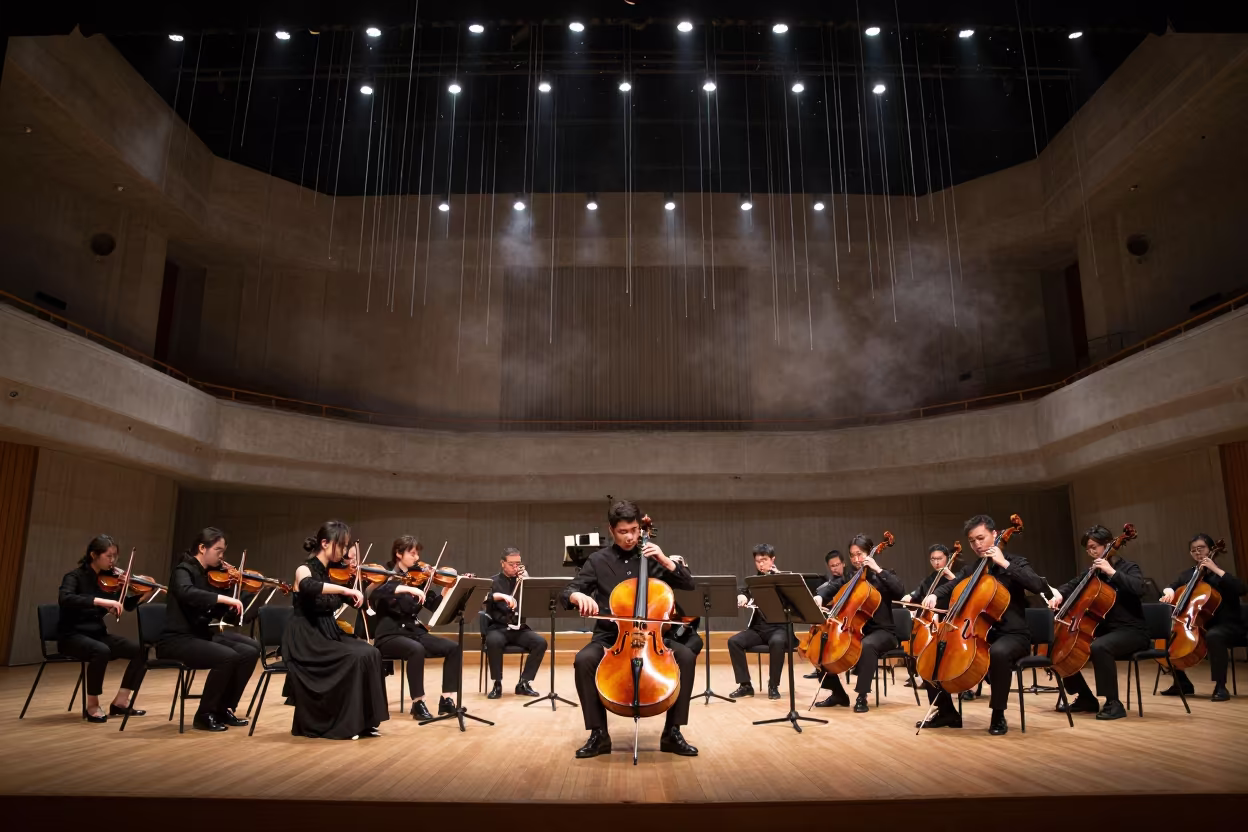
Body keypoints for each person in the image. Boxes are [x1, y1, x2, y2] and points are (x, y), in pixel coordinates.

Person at [562, 500, 698, 759]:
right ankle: (598, 734)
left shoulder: (653, 557)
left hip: (653, 636)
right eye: (624, 532)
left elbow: (688, 584)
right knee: (584, 660)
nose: (631, 537)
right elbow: (569, 589)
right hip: (611, 637)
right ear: (611, 530)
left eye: (635, 530)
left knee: (686, 656)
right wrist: (576, 597)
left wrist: (666, 561)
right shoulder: (598, 560)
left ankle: (672, 733)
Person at [918, 514, 1048, 735]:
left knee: (998, 652)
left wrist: (1004, 563)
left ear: (994, 535)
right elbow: (954, 584)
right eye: (972, 540)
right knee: (933, 651)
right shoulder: (974, 568)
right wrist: (934, 596)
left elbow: (1038, 585)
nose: (977, 544)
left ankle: (998, 715)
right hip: (980, 633)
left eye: (981, 538)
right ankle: (947, 712)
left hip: (1013, 635)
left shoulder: (1015, 562)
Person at [283, 520, 388, 739]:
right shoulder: (304, 569)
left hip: (327, 632)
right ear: (324, 543)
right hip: (307, 636)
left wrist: (369, 586)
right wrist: (344, 589)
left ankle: (364, 722)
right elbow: (308, 586)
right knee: (353, 657)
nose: (344, 552)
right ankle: (342, 724)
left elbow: (359, 603)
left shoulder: (334, 573)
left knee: (371, 653)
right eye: (341, 546)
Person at [156, 528, 258, 732]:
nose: (222, 557)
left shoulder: (210, 575)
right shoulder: (183, 570)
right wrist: (222, 598)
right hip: (177, 639)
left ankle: (224, 708)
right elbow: (187, 593)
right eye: (218, 550)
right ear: (202, 548)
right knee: (227, 656)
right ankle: (204, 714)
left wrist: (244, 596)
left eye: (223, 551)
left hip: (200, 635)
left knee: (251, 649)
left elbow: (222, 614)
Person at [1047, 525, 1148, 720]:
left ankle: (1113, 703)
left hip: (1132, 631)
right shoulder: (1092, 572)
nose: (1091, 552)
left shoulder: (1128, 568)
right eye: (1088, 548)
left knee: (1100, 647)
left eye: (1094, 547)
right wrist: (1057, 594)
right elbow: (1070, 586)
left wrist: (1112, 572)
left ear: (1108, 545)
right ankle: (1085, 697)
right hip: (1104, 630)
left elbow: (1140, 588)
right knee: (1056, 647)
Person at [366, 535, 465, 719]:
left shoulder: (419, 578)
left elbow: (435, 607)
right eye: (412, 554)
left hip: (413, 632)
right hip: (389, 635)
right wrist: (407, 588)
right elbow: (374, 594)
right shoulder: (385, 574)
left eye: (417, 554)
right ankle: (418, 702)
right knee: (416, 650)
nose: (417, 558)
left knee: (453, 648)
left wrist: (446, 587)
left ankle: (447, 700)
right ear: (398, 553)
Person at [56, 535, 148, 722]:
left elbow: (126, 605)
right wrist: (100, 601)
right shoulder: (74, 577)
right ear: (93, 555)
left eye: (115, 557)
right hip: (71, 636)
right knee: (101, 650)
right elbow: (65, 599)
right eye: (109, 556)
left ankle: (120, 702)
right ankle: (92, 705)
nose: (113, 561)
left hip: (97, 634)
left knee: (141, 651)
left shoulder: (108, 579)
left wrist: (144, 593)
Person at [813, 535, 905, 712]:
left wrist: (878, 569)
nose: (856, 559)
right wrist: (820, 596)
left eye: (860, 554)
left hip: (883, 632)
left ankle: (862, 695)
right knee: (822, 644)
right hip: (857, 630)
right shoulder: (851, 576)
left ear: (870, 552)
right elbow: (833, 586)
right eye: (852, 555)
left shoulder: (883, 575)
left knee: (867, 645)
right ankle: (838, 694)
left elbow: (900, 592)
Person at [1159, 533, 1247, 702]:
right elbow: (1173, 585)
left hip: (1227, 625)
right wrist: (1168, 590)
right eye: (1193, 550)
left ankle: (1220, 686)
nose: (1197, 553)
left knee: (1214, 636)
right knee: (1164, 637)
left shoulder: (1220, 575)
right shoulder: (1188, 575)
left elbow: (1242, 588)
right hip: (1198, 624)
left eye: (1201, 548)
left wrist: (1215, 569)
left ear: (1211, 549)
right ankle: (1182, 683)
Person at [482, 547, 548, 699]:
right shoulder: (492, 581)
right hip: (498, 628)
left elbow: (534, 600)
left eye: (518, 563)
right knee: (493, 641)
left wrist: (528, 581)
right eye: (511, 564)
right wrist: (501, 596)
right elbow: (484, 597)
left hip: (519, 629)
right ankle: (497, 684)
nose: (515, 567)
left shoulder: (523, 581)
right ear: (502, 563)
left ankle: (524, 683)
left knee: (540, 642)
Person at [727, 544, 790, 700]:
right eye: (757, 561)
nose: (761, 564)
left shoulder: (784, 579)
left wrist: (779, 579)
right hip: (758, 629)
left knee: (777, 642)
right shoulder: (753, 581)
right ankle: (745, 685)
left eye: (764, 560)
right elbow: (743, 590)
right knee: (734, 642)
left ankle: (773, 685)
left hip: (778, 629)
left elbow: (792, 599)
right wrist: (741, 596)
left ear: (772, 560)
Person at [805, 551, 845, 678]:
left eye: (837, 564)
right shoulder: (830, 581)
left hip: (847, 617)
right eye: (832, 566)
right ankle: (819, 666)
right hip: (835, 617)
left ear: (844, 564)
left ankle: (827, 665)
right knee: (817, 625)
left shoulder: (849, 577)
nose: (835, 568)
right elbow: (829, 590)